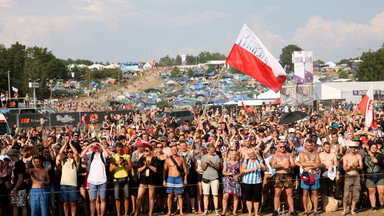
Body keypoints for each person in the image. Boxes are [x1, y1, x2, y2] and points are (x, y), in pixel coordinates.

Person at [80, 141, 111, 216]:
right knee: (92, 200)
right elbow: (81, 155)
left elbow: (107, 155)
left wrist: (100, 145)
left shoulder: (102, 154)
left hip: (102, 180)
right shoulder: (91, 154)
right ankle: (92, 214)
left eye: (97, 146)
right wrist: (89, 146)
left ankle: (101, 214)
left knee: (103, 199)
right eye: (95, 146)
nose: (96, 147)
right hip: (92, 181)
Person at [271, 141, 298, 216]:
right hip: (278, 175)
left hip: (287, 175)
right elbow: (273, 165)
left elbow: (293, 164)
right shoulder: (275, 155)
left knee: (289, 193)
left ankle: (292, 210)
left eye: (284, 146)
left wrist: (289, 165)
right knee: (277, 193)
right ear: (277, 147)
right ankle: (275, 210)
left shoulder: (288, 154)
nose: (283, 148)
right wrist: (282, 165)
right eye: (281, 147)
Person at [163, 145, 187, 216]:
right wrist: (164, 180)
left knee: (180, 195)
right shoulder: (168, 159)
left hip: (179, 178)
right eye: (173, 149)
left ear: (177, 150)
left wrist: (185, 179)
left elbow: (185, 170)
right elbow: (164, 171)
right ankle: (169, 211)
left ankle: (181, 212)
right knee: (170, 195)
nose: (174, 151)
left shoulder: (181, 159)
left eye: (176, 149)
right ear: (171, 150)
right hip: (170, 178)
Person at [299, 139, 321, 216]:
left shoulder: (316, 153)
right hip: (306, 174)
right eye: (307, 145)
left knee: (315, 192)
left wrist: (309, 166)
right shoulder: (302, 153)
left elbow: (318, 164)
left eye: (310, 145)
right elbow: (302, 163)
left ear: (313, 145)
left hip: (314, 174)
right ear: (305, 145)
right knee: (305, 192)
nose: (309, 147)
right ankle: (306, 211)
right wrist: (313, 165)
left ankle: (315, 211)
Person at [242, 148, 266, 216]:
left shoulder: (259, 160)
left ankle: (256, 213)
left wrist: (262, 167)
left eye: (252, 154)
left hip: (257, 182)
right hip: (247, 182)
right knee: (248, 198)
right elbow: (243, 170)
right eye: (250, 154)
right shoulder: (246, 161)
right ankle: (250, 213)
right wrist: (252, 169)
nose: (251, 155)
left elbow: (265, 169)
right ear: (248, 155)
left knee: (256, 198)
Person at [135, 145, 158, 216]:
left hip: (151, 179)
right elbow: (138, 169)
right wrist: (145, 166)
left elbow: (155, 170)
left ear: (151, 151)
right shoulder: (142, 158)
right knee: (139, 197)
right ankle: (136, 212)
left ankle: (150, 213)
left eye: (147, 150)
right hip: (143, 179)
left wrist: (149, 165)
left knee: (151, 197)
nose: (145, 152)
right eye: (145, 150)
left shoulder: (154, 159)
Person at [341, 141, 363, 215]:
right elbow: (344, 168)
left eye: (354, 147)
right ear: (349, 148)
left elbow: (361, 167)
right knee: (346, 194)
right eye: (351, 147)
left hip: (356, 176)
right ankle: (344, 210)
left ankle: (352, 210)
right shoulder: (345, 156)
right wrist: (351, 166)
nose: (353, 148)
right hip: (348, 176)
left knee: (356, 194)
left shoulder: (358, 156)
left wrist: (356, 166)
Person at [59, 139, 80, 216]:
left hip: (73, 185)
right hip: (64, 184)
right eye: (68, 152)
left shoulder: (75, 161)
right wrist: (65, 143)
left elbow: (76, 153)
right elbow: (60, 152)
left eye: (71, 152)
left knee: (73, 203)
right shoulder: (64, 160)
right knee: (65, 203)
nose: (70, 153)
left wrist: (70, 144)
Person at [110, 143, 132, 216]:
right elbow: (110, 169)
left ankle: (126, 214)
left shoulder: (127, 156)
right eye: (117, 150)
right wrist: (116, 163)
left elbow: (130, 168)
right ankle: (118, 214)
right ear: (116, 149)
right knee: (117, 198)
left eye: (120, 149)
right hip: (116, 179)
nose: (119, 151)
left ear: (122, 148)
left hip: (125, 178)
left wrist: (123, 164)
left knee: (126, 197)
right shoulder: (114, 157)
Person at [201, 143, 221, 216]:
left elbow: (218, 168)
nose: (213, 152)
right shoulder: (203, 157)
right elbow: (203, 168)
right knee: (205, 194)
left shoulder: (217, 157)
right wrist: (206, 163)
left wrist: (213, 165)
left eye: (213, 150)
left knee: (215, 194)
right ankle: (206, 210)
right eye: (211, 151)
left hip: (214, 178)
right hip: (206, 177)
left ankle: (216, 210)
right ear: (208, 150)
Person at [363, 143, 384, 210]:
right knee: (371, 191)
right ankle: (373, 206)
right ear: (370, 148)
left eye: (375, 148)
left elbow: (375, 161)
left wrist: (370, 153)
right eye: (372, 147)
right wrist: (363, 176)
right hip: (369, 175)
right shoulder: (365, 157)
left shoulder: (380, 155)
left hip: (379, 175)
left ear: (377, 148)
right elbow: (364, 167)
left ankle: (382, 204)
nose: (374, 149)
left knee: (381, 192)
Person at [222, 147, 241, 216]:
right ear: (230, 155)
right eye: (232, 155)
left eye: (235, 155)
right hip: (228, 181)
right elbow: (223, 172)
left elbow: (241, 171)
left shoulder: (238, 162)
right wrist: (229, 174)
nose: (234, 156)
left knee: (235, 196)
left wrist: (238, 175)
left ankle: (234, 212)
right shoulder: (226, 162)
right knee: (225, 196)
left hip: (236, 181)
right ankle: (224, 211)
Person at [8, 149, 28, 216]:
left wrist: (15, 189)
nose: (10, 157)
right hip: (15, 187)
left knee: (22, 206)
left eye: (10, 155)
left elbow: (20, 178)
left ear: (12, 155)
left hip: (20, 188)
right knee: (14, 205)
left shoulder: (19, 164)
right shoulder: (15, 164)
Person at [319, 142, 338, 206]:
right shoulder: (320, 155)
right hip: (323, 173)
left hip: (331, 173)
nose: (328, 148)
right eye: (327, 147)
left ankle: (332, 205)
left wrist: (333, 166)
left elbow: (336, 164)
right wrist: (321, 166)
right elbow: (318, 164)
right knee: (323, 190)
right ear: (323, 147)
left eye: (329, 147)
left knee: (331, 190)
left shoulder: (333, 154)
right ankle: (323, 205)